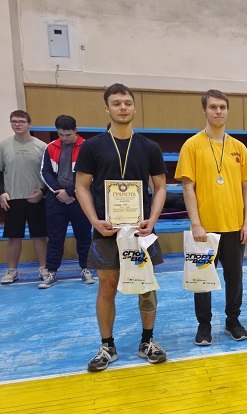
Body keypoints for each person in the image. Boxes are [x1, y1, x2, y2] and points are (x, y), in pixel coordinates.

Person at [75, 83, 168, 371]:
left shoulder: (149, 147)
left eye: (127, 102)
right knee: (107, 286)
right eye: (116, 103)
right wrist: (94, 221)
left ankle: (147, 341)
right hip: (106, 230)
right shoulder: (92, 146)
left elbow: (160, 187)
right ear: (107, 108)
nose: (123, 107)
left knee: (146, 286)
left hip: (142, 230)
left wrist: (153, 220)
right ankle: (107, 345)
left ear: (135, 107)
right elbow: (81, 186)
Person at [175, 89, 247, 346]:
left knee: (235, 279)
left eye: (222, 107)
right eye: (213, 107)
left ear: (227, 110)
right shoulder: (192, 145)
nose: (218, 111)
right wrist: (196, 224)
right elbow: (188, 187)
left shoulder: (239, 148)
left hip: (234, 226)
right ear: (204, 110)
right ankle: (204, 324)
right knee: (202, 281)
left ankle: (233, 320)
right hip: (205, 228)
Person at [0, 110, 49, 284]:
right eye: (14, 121)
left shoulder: (42, 146)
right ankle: (12, 271)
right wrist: (2, 192)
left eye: (21, 121)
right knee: (13, 236)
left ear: (30, 124)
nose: (17, 124)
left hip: (37, 198)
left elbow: (50, 173)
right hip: (13, 199)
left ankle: (43, 269)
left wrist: (43, 192)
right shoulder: (3, 146)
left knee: (40, 236)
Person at [38, 115, 94, 288]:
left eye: (68, 134)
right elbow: (45, 172)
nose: (64, 138)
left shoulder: (87, 147)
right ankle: (52, 272)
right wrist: (59, 191)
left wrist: (70, 192)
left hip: (81, 199)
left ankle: (86, 269)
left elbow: (91, 173)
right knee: (55, 238)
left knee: (84, 236)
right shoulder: (50, 147)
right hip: (56, 199)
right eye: (60, 134)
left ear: (76, 130)